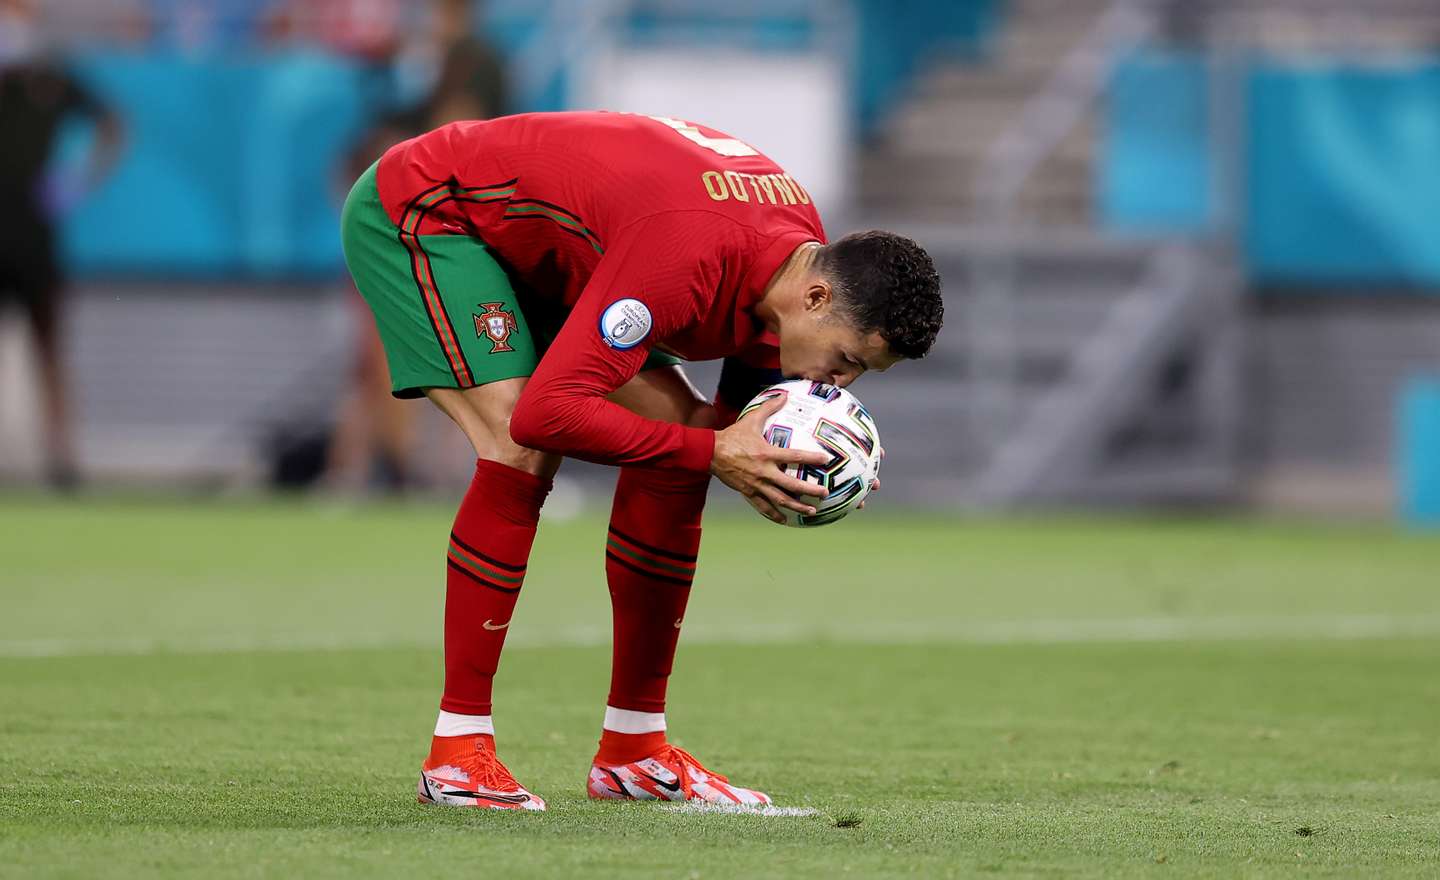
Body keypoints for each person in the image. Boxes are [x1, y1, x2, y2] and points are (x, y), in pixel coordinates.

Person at [339, 110, 943, 810]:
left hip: (552, 253)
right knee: (520, 443)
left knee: (681, 444)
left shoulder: (793, 265)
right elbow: (549, 412)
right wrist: (716, 449)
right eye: (846, 361)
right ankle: (457, 754)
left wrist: (770, 467)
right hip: (435, 212)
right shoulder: (687, 256)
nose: (842, 384)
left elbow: (726, 431)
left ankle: (633, 750)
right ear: (816, 298)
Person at [0, 0, 123, 488]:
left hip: (34, 237)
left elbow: (112, 125)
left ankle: (61, 458)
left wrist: (76, 181)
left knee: (49, 348)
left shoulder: (52, 80)